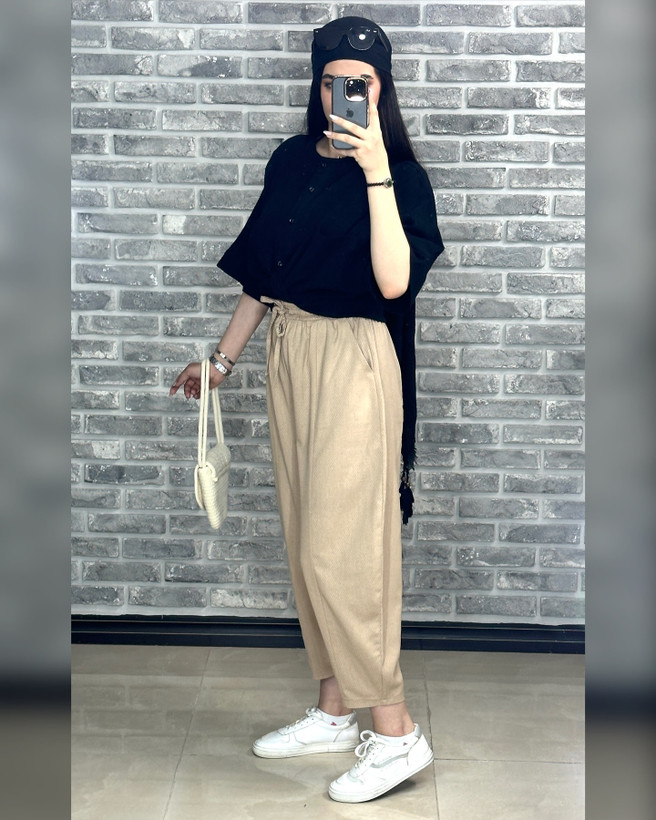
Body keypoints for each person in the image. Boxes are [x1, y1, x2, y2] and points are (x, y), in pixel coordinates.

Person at [170, 16, 444, 803]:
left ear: (382, 89)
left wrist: (375, 169)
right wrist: (222, 362)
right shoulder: (290, 161)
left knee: (342, 548)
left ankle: (396, 731)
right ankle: (333, 710)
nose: (343, 92)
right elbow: (262, 275)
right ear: (316, 83)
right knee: (304, 539)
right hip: (290, 351)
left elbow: (394, 283)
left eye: (361, 81)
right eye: (331, 79)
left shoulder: (401, 177)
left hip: (355, 357)